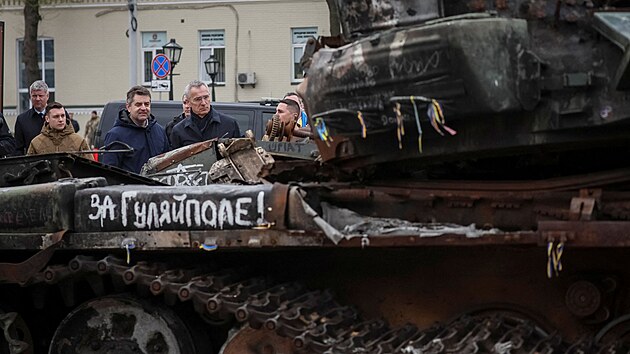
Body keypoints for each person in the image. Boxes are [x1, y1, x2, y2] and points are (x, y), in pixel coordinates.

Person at [102, 86, 170, 173]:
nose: (143, 108)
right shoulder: (116, 135)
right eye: (138, 104)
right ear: (128, 107)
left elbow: (167, 165)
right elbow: (109, 171)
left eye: (146, 104)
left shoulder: (159, 131)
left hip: (157, 185)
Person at [170, 80, 240, 149]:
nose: (203, 103)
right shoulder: (179, 131)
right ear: (188, 102)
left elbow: (239, 155)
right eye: (198, 99)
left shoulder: (229, 124)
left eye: (206, 97)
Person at [27, 102, 94, 160]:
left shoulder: (79, 141)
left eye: (63, 116)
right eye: (56, 116)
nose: (60, 119)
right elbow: (28, 169)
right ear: (47, 119)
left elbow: (91, 168)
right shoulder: (36, 143)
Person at [14, 80, 50, 155]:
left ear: (47, 96)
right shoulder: (22, 119)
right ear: (30, 96)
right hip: (32, 163)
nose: (37, 99)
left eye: (40, 96)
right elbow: (18, 149)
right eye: (34, 96)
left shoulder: (59, 115)